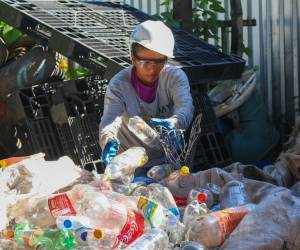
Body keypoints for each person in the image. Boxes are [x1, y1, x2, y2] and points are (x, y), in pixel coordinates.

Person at [99, 20, 194, 170]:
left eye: (159, 61)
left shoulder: (174, 77)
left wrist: (175, 122)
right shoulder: (119, 85)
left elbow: (185, 106)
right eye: (146, 62)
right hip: (129, 164)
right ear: (133, 57)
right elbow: (110, 121)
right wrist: (108, 139)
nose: (152, 69)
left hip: (166, 161)